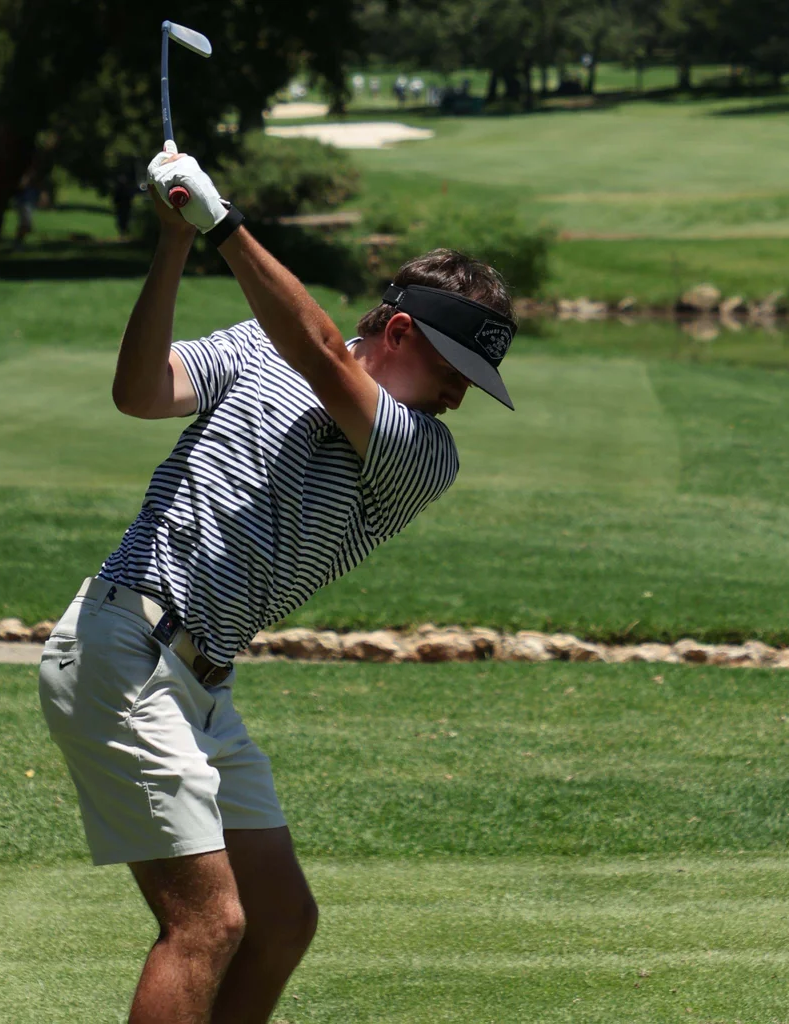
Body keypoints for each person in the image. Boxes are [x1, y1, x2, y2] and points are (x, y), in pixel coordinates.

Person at [38, 149, 518, 1024]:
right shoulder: (256, 345)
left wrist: (224, 225)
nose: (459, 398)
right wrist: (176, 246)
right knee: (209, 924)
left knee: (283, 920)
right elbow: (140, 391)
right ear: (403, 334)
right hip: (125, 645)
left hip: (199, 683)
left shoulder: (421, 454)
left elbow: (323, 354)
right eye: (455, 373)